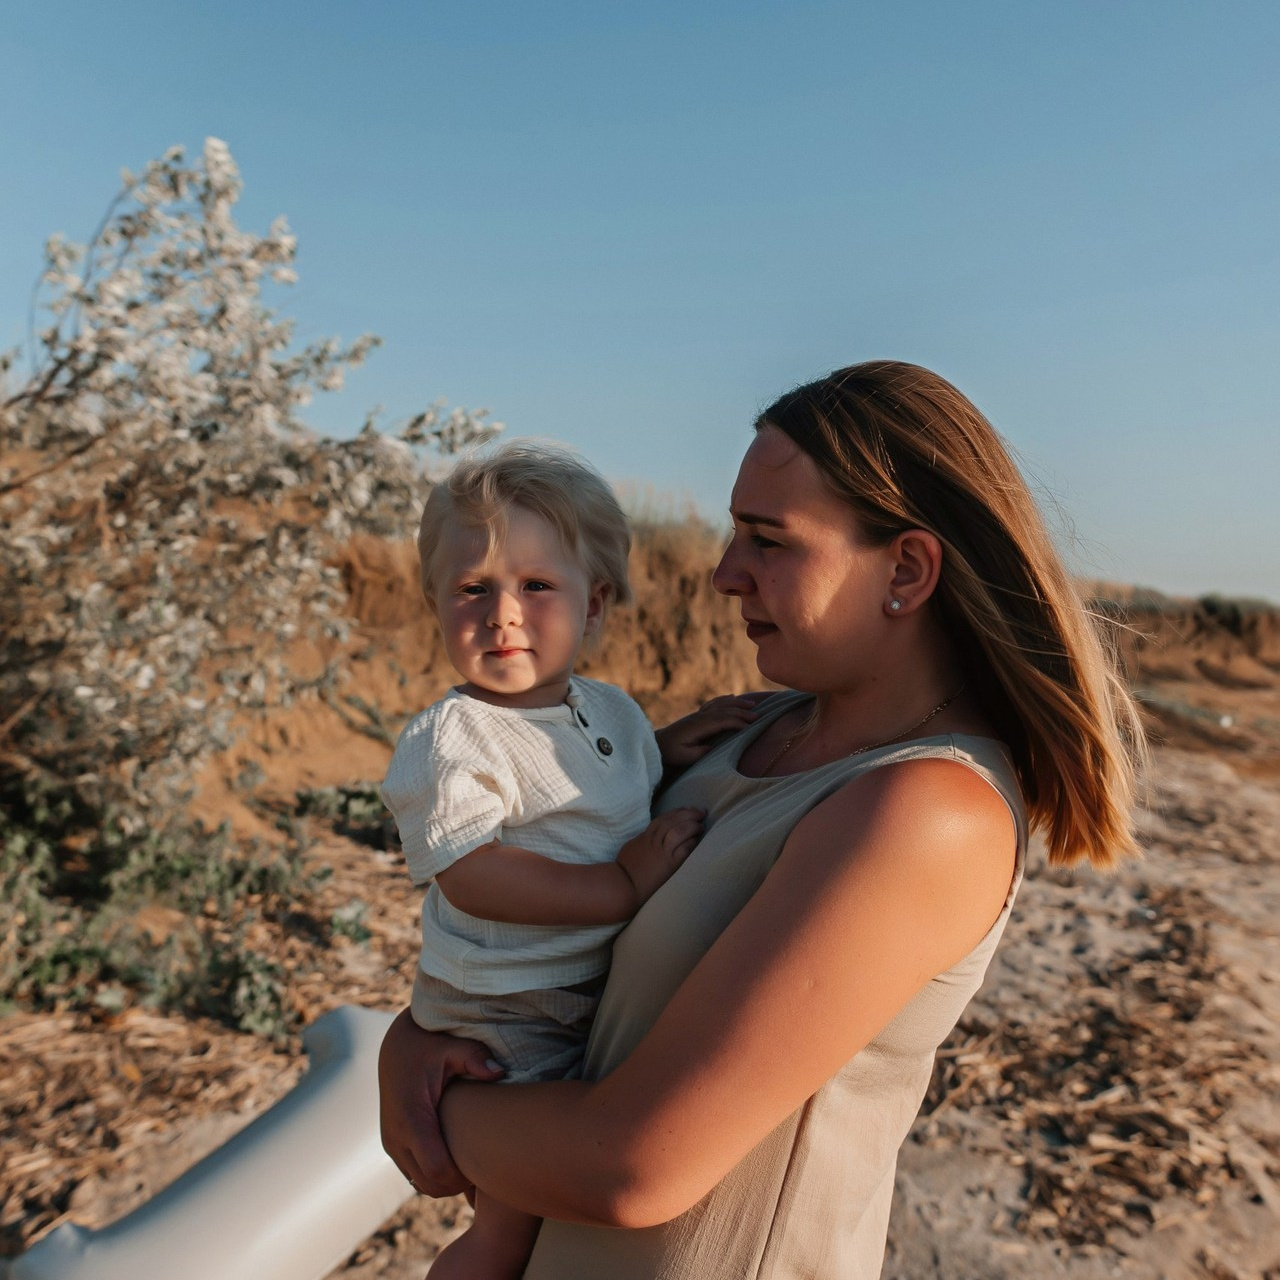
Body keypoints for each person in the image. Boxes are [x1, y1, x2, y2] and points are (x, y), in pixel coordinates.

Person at [379, 361, 1145, 1279]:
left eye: (767, 539)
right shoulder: (754, 735)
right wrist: (409, 1040)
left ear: (906, 568)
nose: (722, 573)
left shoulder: (926, 812)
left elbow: (631, 1166)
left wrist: (425, 1103)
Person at [380, 440, 758, 1279]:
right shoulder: (453, 737)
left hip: (568, 990)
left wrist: (663, 746)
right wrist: (618, 885)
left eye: (536, 586)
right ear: (437, 604)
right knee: (506, 1238)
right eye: (472, 588)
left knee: (544, 1225)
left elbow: (586, 788)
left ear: (594, 609)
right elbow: (469, 870)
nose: (503, 613)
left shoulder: (610, 711)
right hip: (503, 1007)